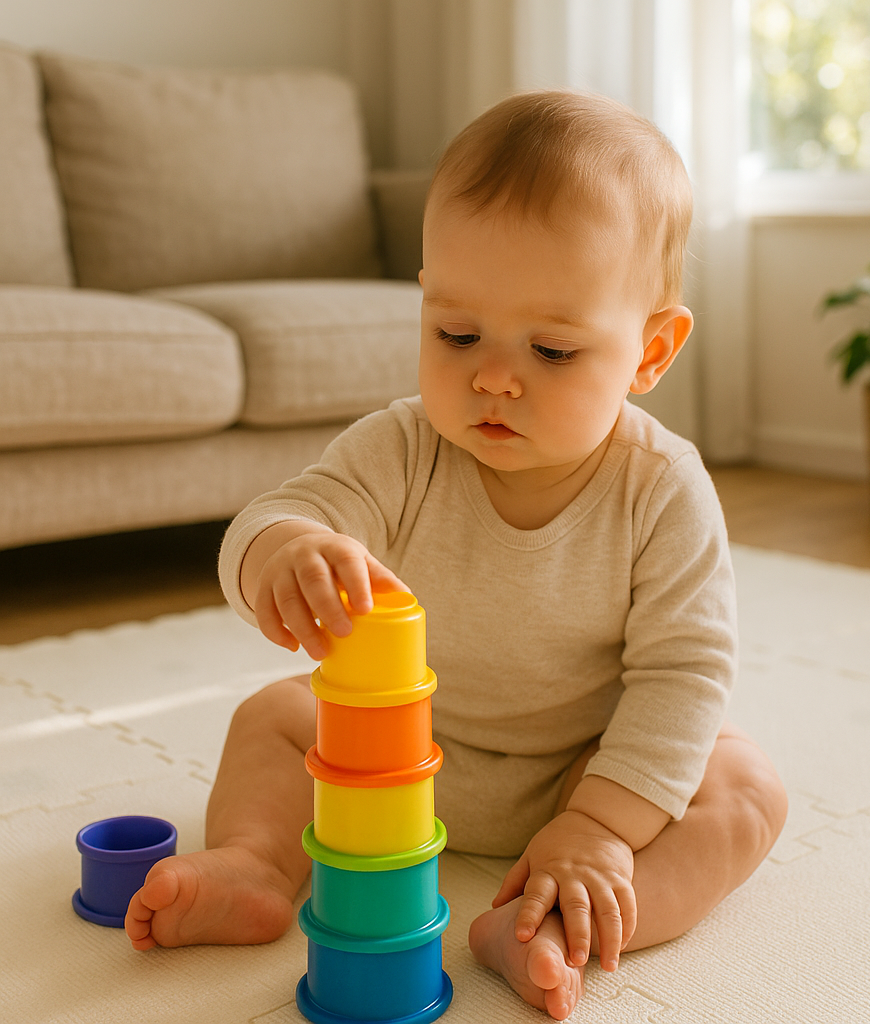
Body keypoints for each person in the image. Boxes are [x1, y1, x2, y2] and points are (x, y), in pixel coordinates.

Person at [125, 89, 787, 1021]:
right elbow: (282, 513)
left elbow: (686, 672)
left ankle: (549, 925)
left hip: (586, 767)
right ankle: (256, 866)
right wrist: (289, 550)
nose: (494, 376)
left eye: (552, 351)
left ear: (651, 352)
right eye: (457, 335)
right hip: (392, 757)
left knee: (745, 791)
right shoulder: (402, 448)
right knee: (273, 714)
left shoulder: (662, 489)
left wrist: (601, 825)